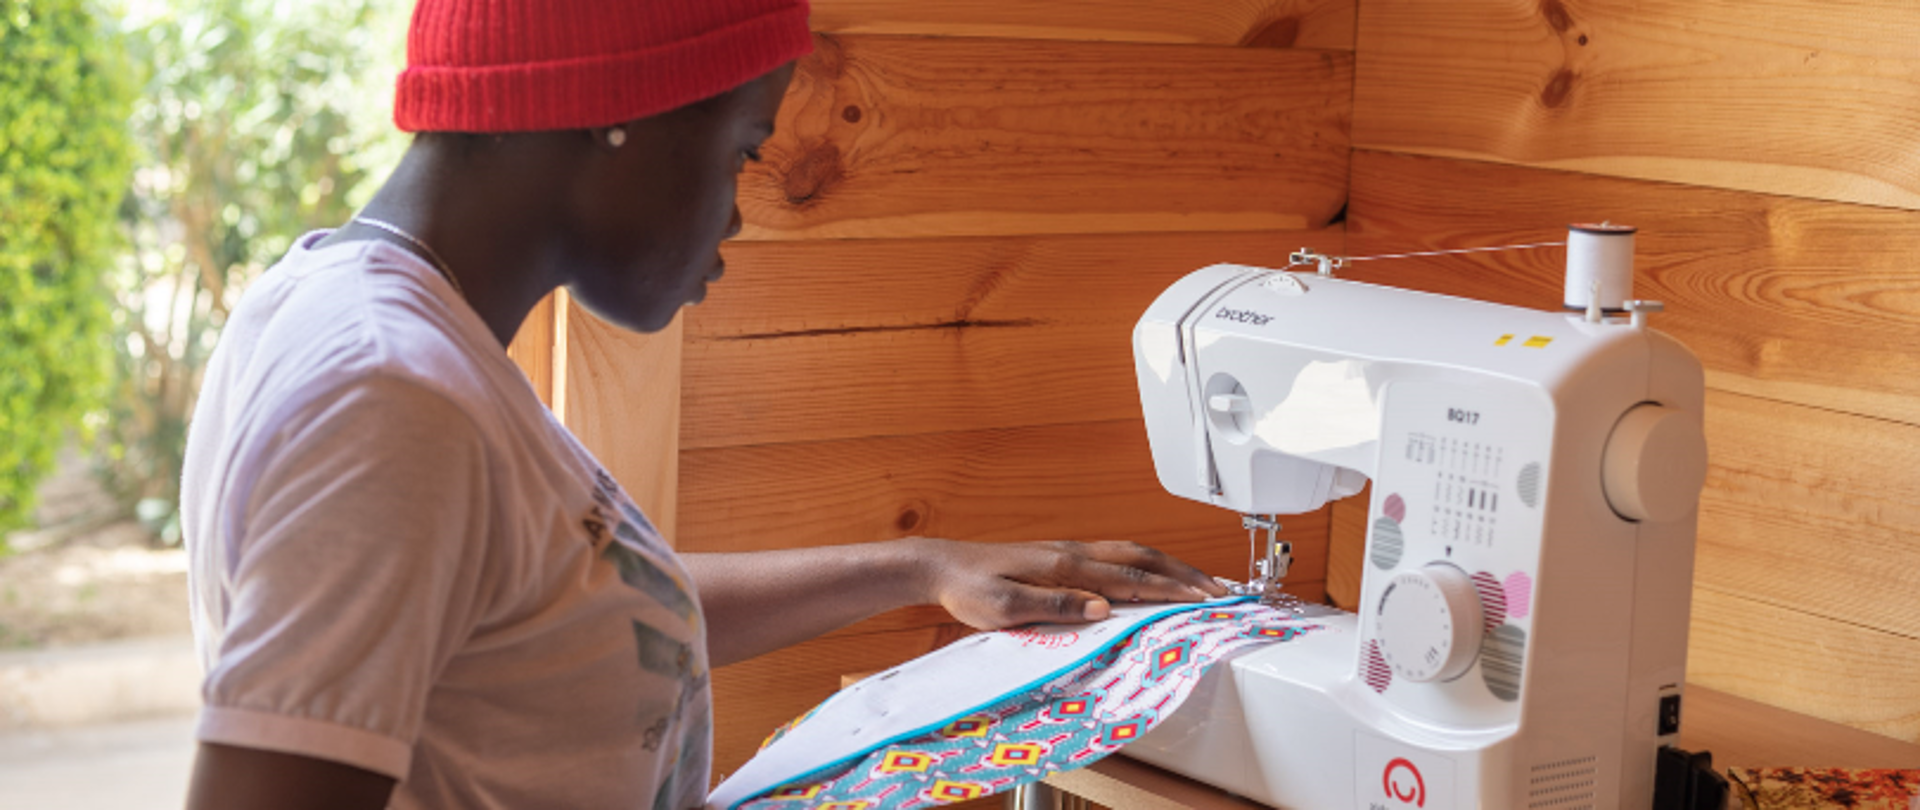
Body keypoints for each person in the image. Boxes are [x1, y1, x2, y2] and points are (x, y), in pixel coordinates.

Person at [178, 1, 1228, 808]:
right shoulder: (389, 397)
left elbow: (546, 602)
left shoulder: (376, 322)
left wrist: (923, 564)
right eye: (741, 148)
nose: (736, 213)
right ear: (621, 115)